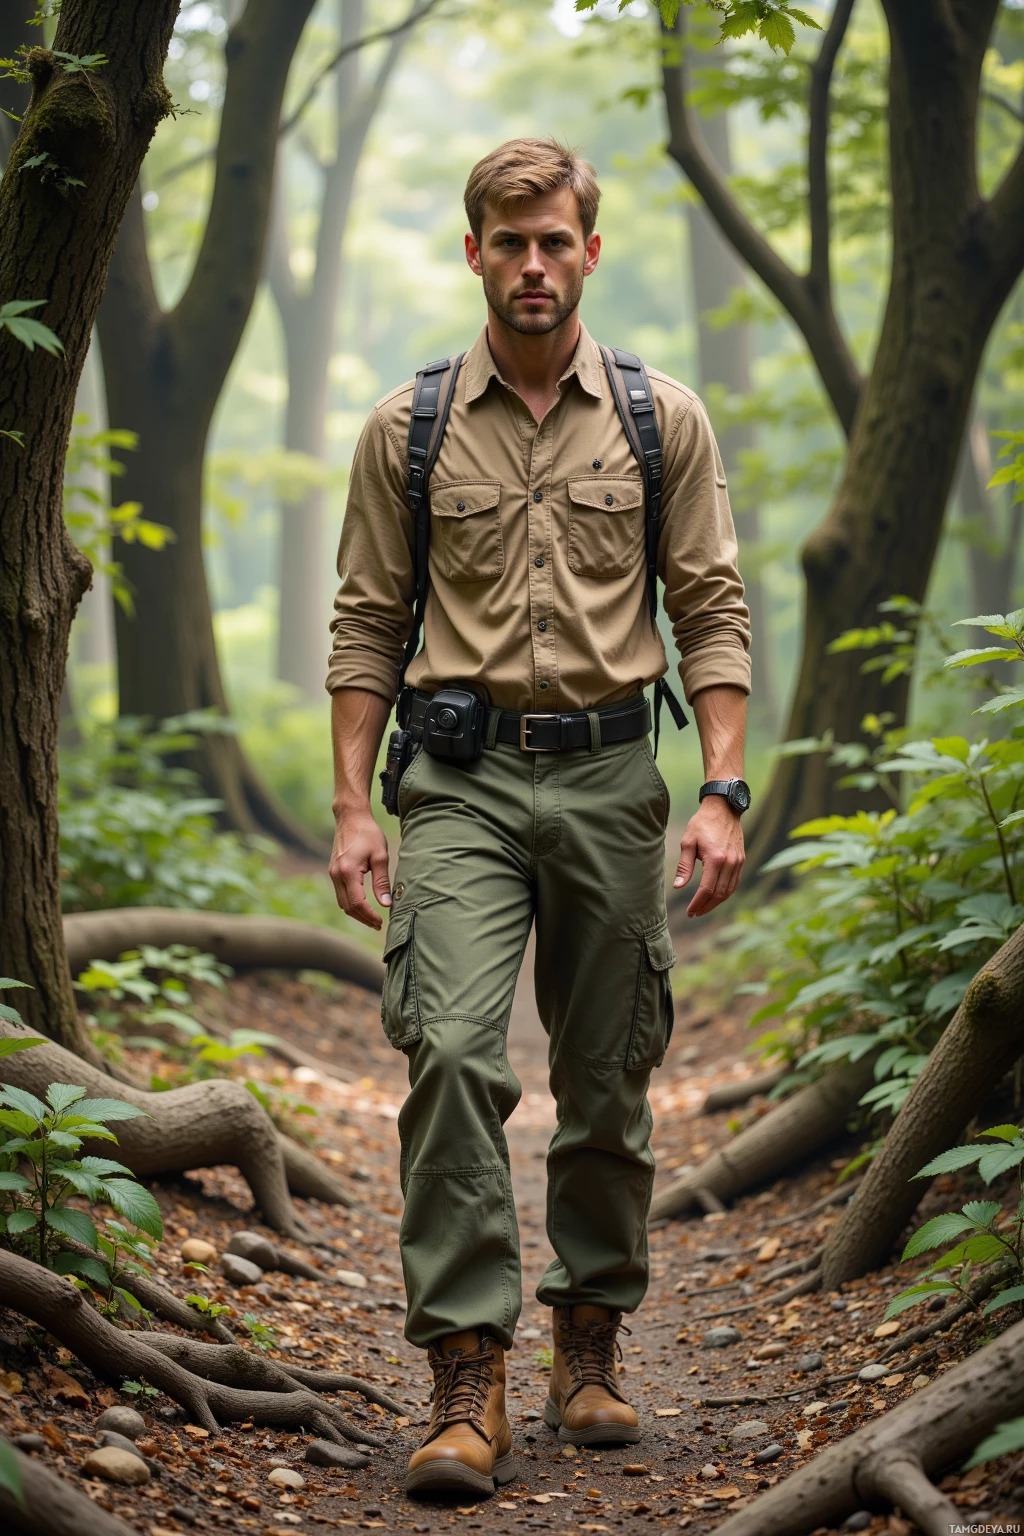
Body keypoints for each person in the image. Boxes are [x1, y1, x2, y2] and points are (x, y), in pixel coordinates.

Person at [326, 137, 751, 1498]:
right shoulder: (406, 429)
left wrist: (725, 789)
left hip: (616, 779)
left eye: (554, 240)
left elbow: (713, 611)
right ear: (473, 253)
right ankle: (465, 1373)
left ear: (590, 250)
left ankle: (590, 1334)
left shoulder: (658, 418)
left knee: (610, 1069)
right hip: (455, 782)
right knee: (450, 1050)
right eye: (507, 242)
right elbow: (365, 625)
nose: (532, 264)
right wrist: (352, 806)